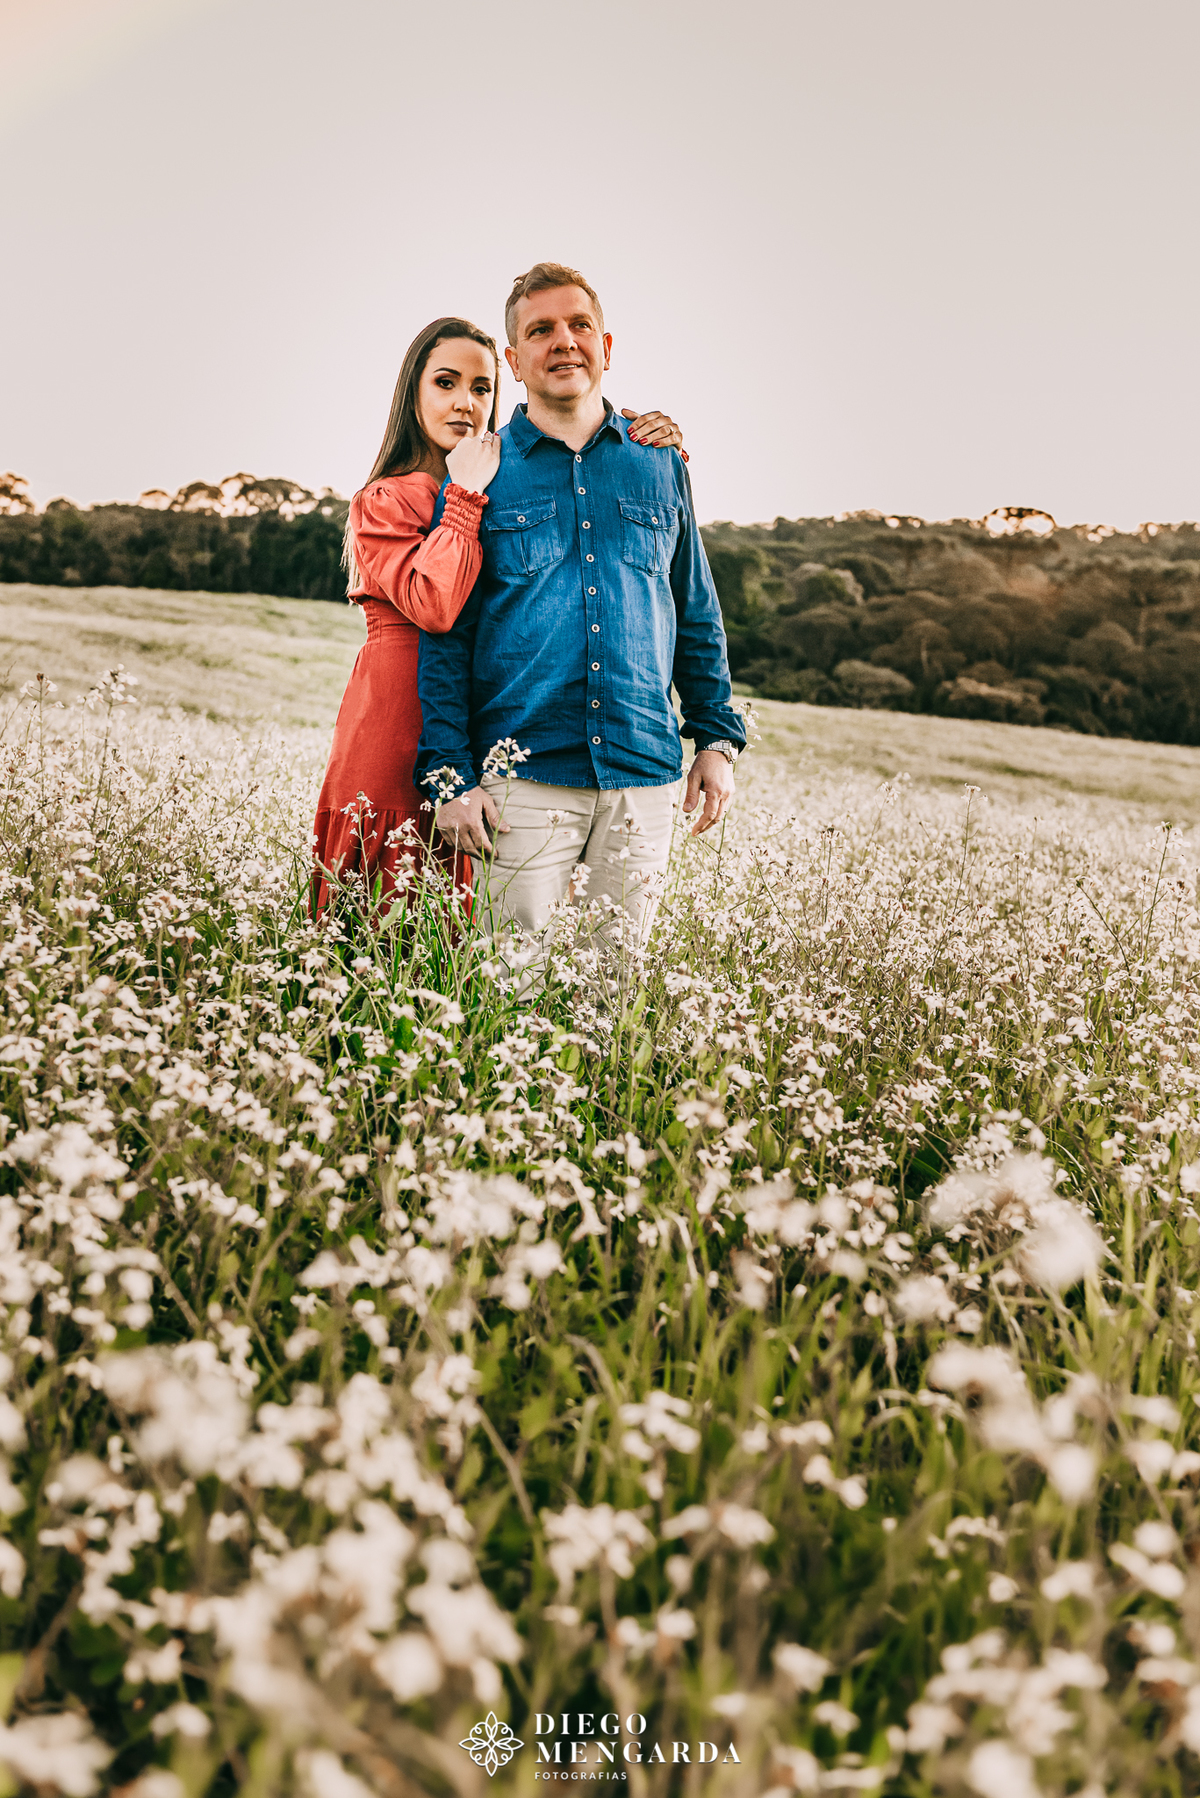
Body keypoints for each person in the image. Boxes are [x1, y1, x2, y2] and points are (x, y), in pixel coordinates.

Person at [415, 262, 745, 959]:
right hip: (522, 777)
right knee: (508, 984)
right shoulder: (480, 469)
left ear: (606, 344)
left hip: (643, 771)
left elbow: (696, 609)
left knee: (614, 990)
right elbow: (445, 634)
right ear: (514, 358)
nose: (563, 342)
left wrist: (716, 741)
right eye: (540, 330)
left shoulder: (660, 462)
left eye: (579, 325)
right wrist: (450, 778)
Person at [310, 313, 683, 914]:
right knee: (385, 914)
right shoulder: (388, 497)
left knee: (467, 925)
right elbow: (434, 606)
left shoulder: (500, 477)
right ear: (413, 393)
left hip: (476, 721)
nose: (465, 404)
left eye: (481, 388)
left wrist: (642, 435)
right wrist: (463, 496)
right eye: (446, 383)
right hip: (399, 718)